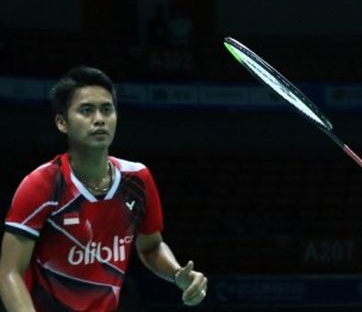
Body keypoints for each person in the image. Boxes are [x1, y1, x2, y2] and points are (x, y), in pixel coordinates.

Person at [0, 66, 208, 312]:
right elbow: (9, 272)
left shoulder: (137, 179)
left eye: (106, 109)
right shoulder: (43, 184)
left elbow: (151, 247)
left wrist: (176, 274)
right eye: (86, 110)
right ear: (62, 122)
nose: (99, 118)